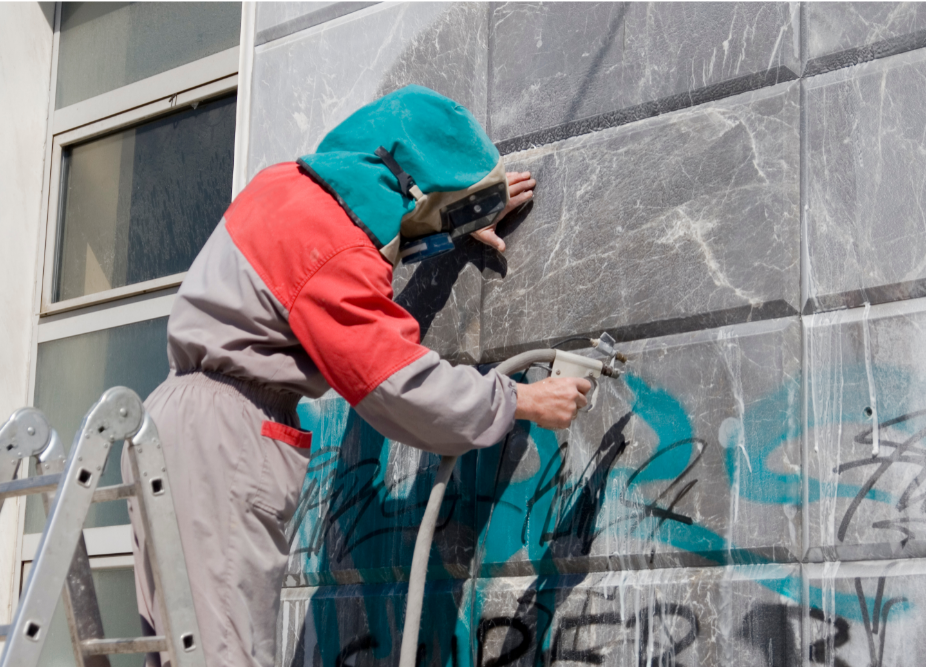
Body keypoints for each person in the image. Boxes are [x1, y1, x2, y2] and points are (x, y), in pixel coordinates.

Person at [123, 85, 591, 667]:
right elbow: (395, 383)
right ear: (415, 190)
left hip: (173, 427)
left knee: (183, 650)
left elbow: (349, 255)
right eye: (450, 206)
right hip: (222, 444)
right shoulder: (332, 252)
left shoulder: (286, 187)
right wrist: (520, 399)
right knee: (225, 653)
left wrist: (443, 227)